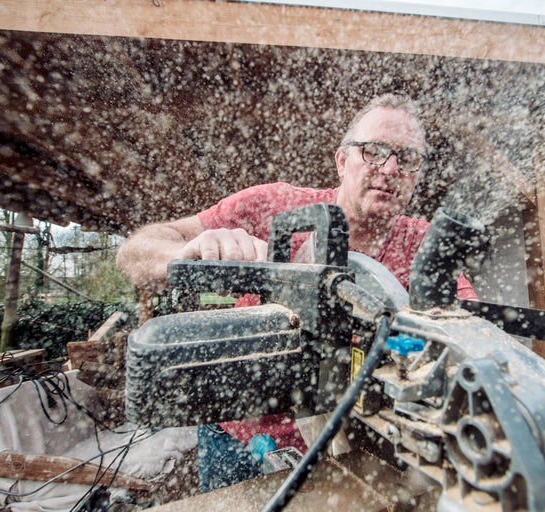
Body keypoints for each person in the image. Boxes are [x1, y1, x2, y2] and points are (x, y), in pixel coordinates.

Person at [115, 93, 478, 490]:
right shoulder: (272, 204)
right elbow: (135, 253)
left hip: (349, 440)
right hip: (237, 436)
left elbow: (471, 328)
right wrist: (187, 252)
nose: (390, 168)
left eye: (407, 159)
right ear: (342, 161)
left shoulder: (423, 244)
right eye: (373, 151)